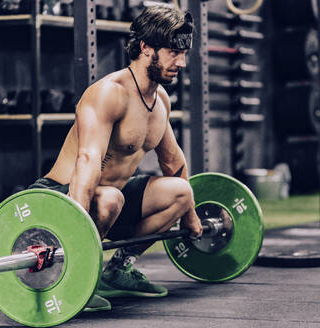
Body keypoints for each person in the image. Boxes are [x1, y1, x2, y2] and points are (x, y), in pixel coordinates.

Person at [28, 6, 202, 311]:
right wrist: (74, 227)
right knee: (109, 198)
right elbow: (87, 160)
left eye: (184, 53)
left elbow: (173, 162)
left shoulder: (160, 99)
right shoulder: (109, 93)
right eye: (174, 52)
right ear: (146, 47)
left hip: (111, 199)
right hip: (62, 198)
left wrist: (190, 215)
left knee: (181, 192)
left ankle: (118, 269)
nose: (182, 62)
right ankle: (74, 278)